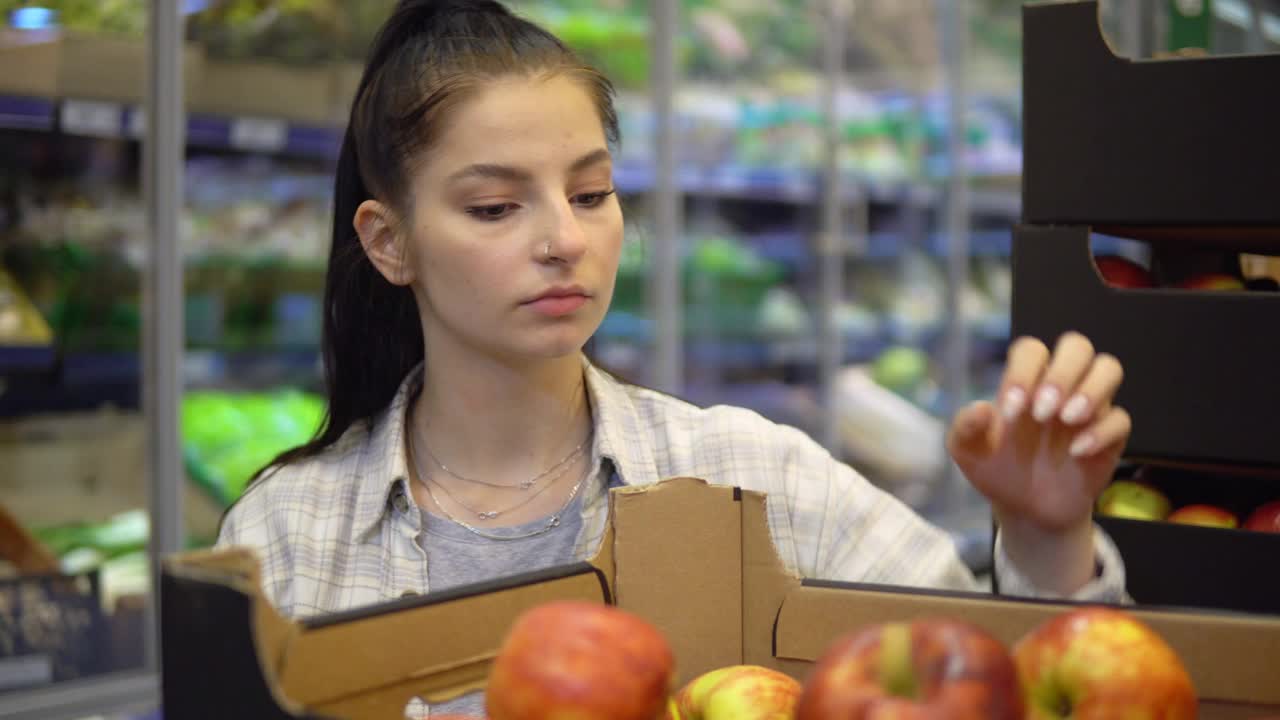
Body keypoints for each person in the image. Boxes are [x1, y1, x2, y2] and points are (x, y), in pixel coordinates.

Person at [217, 0, 1132, 715]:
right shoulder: (287, 538)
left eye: (591, 192)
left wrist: (1048, 537)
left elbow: (1005, 688)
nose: (563, 239)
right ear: (389, 243)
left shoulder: (754, 476)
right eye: (496, 207)